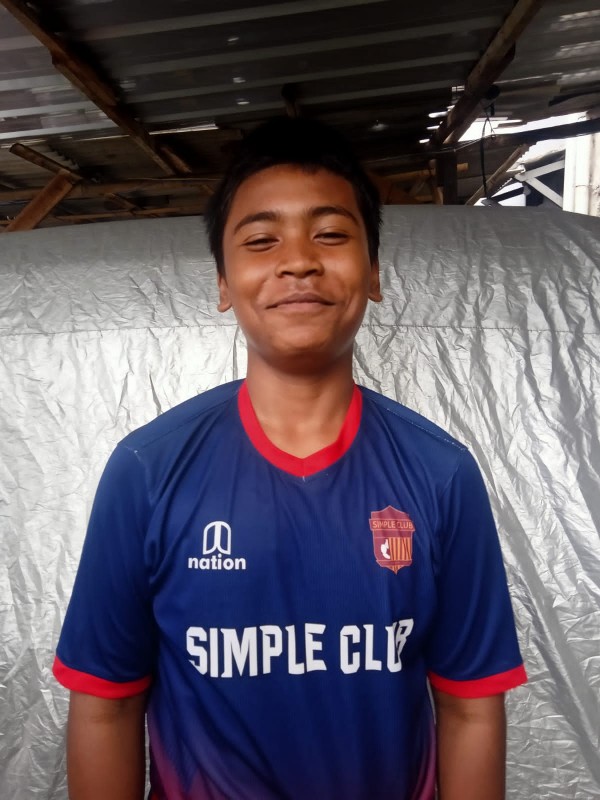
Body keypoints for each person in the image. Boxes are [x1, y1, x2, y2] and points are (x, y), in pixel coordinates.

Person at [54, 117, 526, 800]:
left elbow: (471, 706)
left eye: (330, 234)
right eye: (261, 239)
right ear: (223, 282)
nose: (298, 260)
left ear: (374, 273)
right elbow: (106, 703)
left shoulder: (441, 474)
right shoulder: (148, 471)